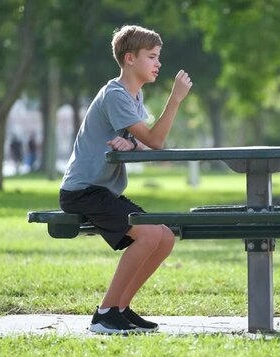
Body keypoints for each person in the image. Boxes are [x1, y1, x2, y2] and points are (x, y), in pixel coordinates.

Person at [59, 24, 192, 335]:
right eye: (152, 56)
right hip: (83, 191)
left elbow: (144, 141)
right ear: (130, 58)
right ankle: (104, 314)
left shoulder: (134, 95)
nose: (158, 63)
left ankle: (120, 309)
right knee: (148, 236)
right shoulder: (116, 94)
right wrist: (175, 99)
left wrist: (132, 142)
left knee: (165, 237)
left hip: (103, 190)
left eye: (159, 57)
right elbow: (157, 141)